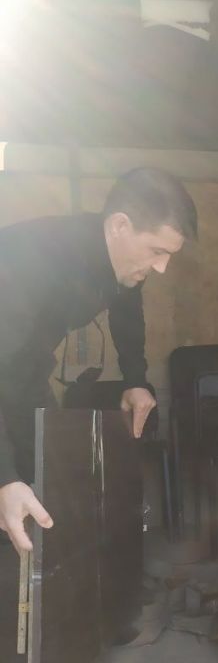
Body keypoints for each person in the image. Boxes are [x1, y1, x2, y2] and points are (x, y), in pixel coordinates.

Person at [0, 167, 198, 553]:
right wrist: (4, 477)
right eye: (157, 251)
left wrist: (135, 379)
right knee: (10, 485)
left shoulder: (121, 266)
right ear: (120, 226)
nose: (161, 267)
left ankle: (29, 575)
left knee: (44, 473)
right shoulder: (32, 260)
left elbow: (127, 310)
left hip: (22, 370)